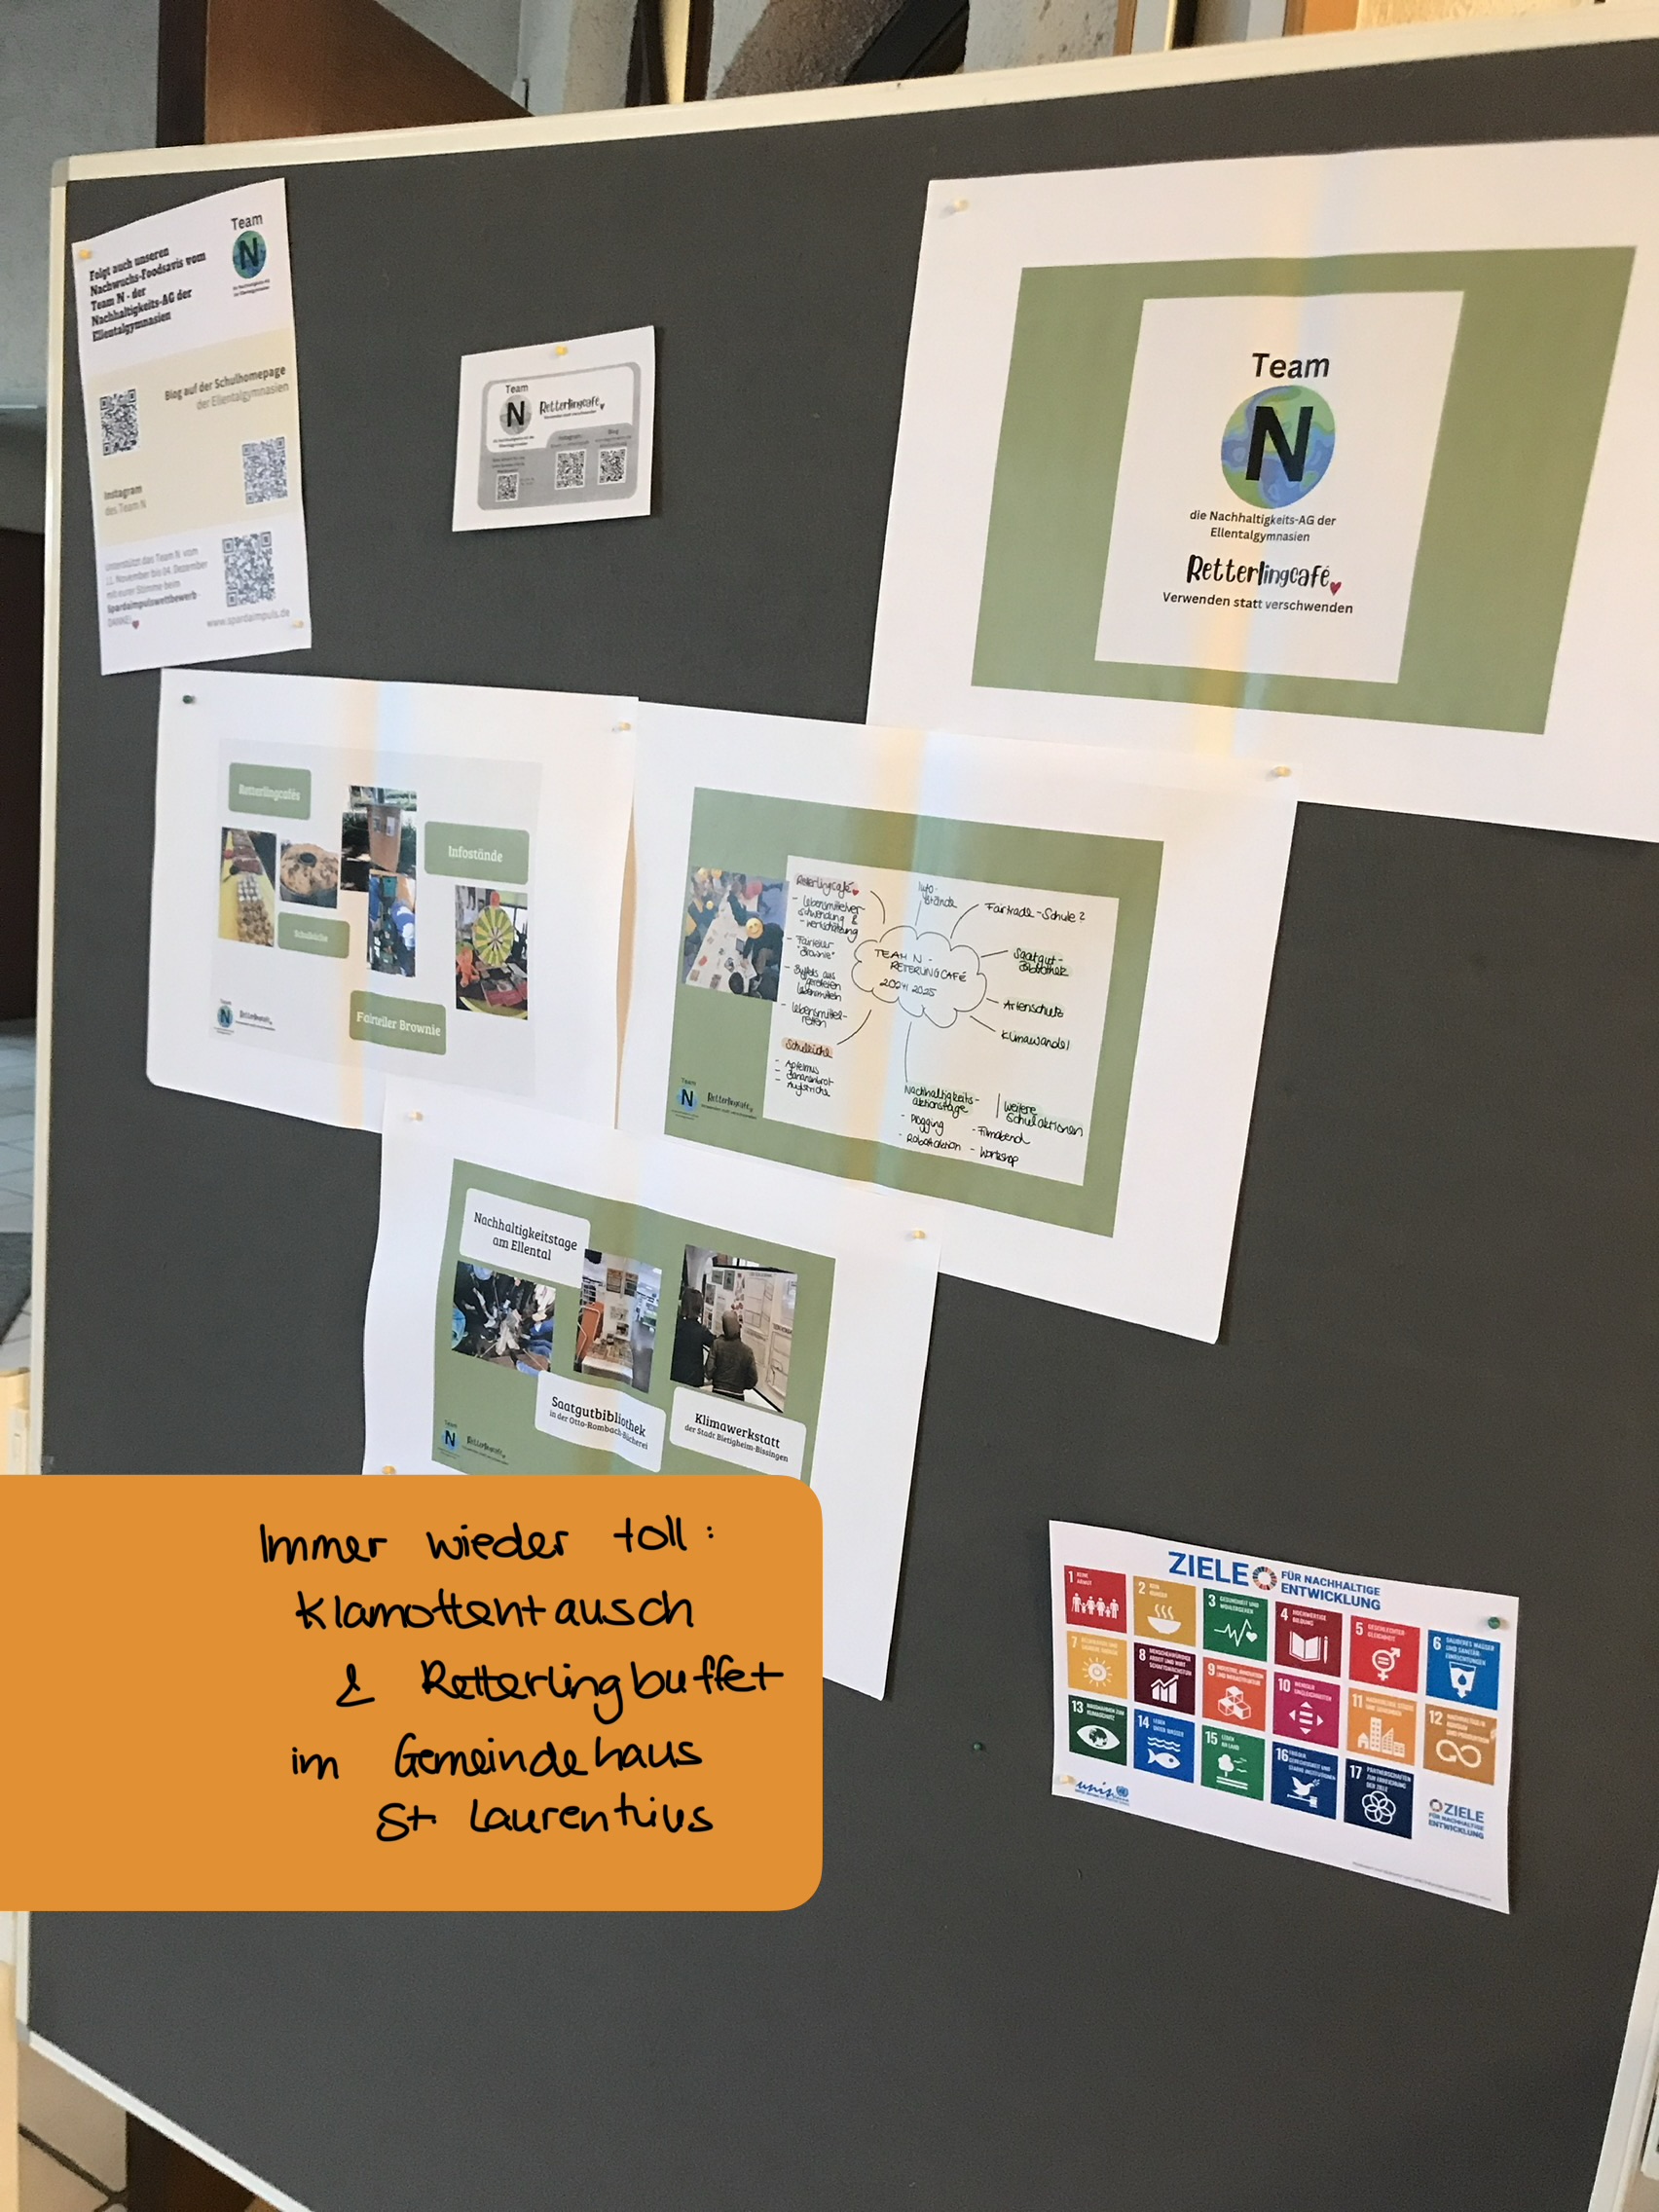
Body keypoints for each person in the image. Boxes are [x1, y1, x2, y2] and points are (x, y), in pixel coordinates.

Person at [707, 1310, 757, 1400]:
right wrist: (740, 1386)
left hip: (718, 1392)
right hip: (738, 1395)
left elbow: (708, 1371)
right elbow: (753, 1379)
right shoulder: (747, 1351)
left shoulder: (717, 1344)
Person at [671, 1286, 714, 1388]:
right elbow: (716, 1343)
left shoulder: (675, 1326)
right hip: (694, 1380)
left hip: (674, 1375)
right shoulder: (701, 1331)